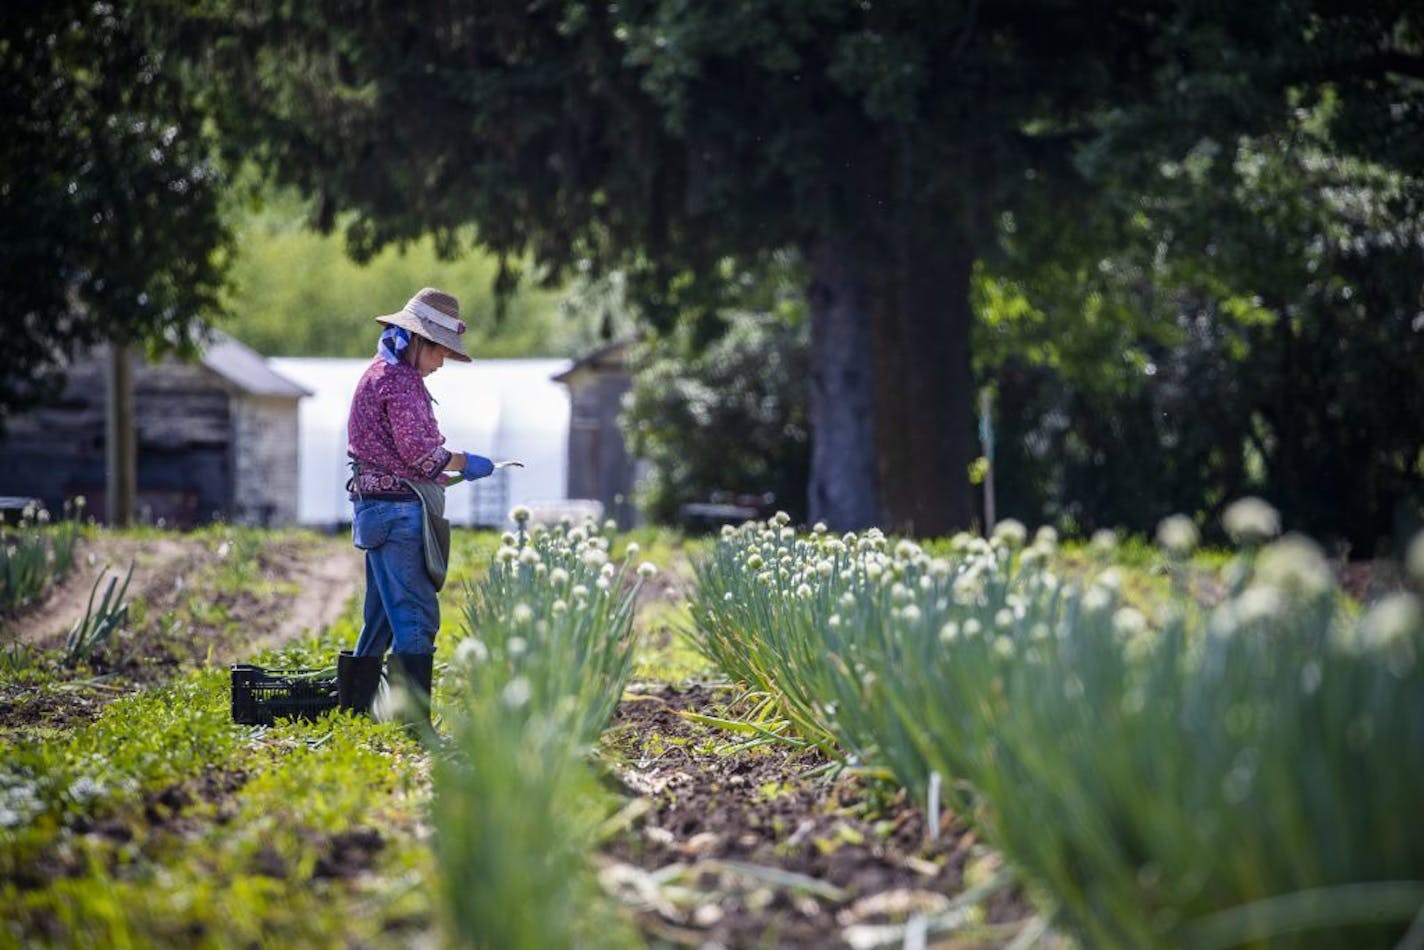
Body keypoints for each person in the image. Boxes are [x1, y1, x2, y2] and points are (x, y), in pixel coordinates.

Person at [336, 287, 495, 727]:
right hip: (396, 514)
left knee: (382, 618)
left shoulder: (380, 373)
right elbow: (421, 455)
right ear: (418, 340)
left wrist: (444, 471)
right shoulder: (400, 383)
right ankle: (414, 726)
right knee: (416, 619)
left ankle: (353, 713)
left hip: (377, 511)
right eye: (440, 351)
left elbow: (402, 455)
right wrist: (465, 461)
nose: (442, 362)